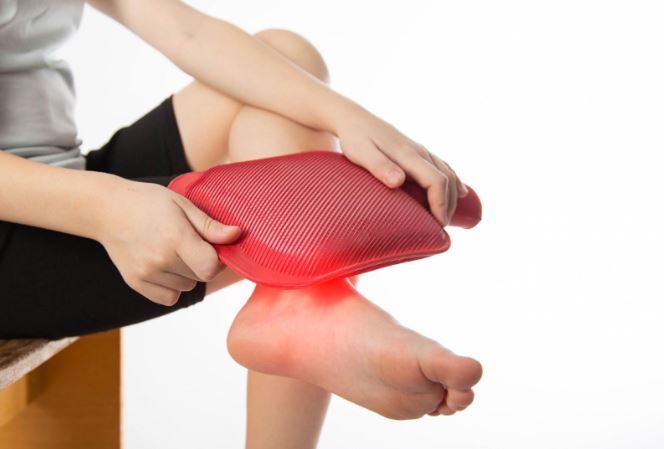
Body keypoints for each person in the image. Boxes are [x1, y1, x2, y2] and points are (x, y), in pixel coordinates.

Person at [0, 0, 482, 447]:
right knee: (287, 214)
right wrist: (106, 208)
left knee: (286, 59)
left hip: (56, 174)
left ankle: (296, 309)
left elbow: (186, 31)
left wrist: (352, 121)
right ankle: (307, 310)